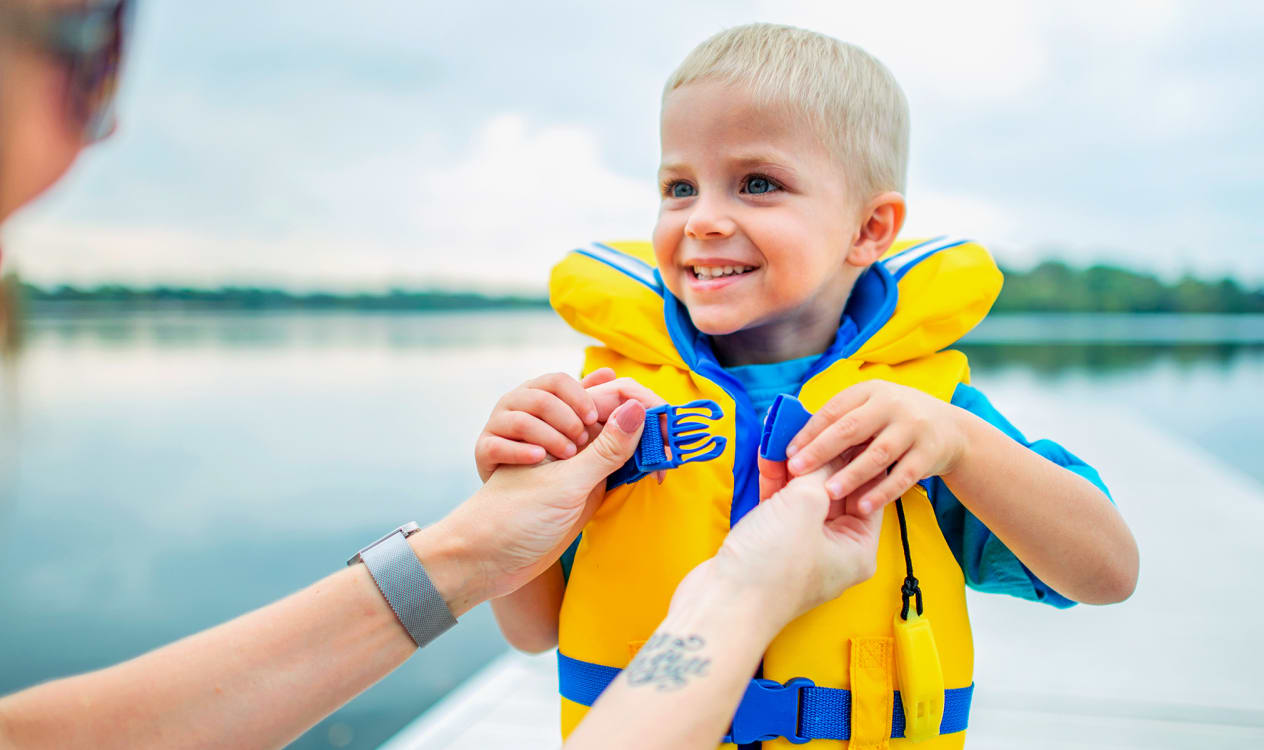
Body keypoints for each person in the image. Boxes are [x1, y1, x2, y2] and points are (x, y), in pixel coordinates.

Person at [0, 2, 890, 748]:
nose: (98, 135)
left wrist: (476, 547)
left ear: (870, 228)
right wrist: (741, 597)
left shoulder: (917, 417)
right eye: (93, 44)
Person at [480, 23, 1140, 747]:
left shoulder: (925, 422)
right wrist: (510, 496)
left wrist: (958, 444)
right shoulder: (613, 411)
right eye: (679, 187)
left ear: (869, 228)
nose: (701, 220)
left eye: (757, 184)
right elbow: (534, 631)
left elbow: (1107, 573)